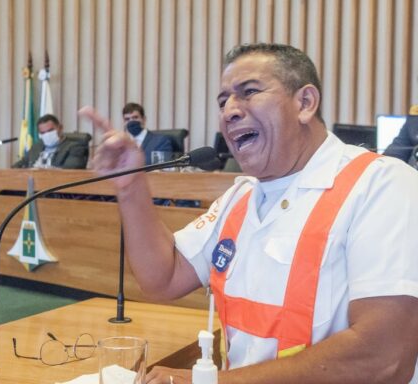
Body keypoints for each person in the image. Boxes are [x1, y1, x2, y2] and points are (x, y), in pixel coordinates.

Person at [79, 42, 418, 384]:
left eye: (249, 92)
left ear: (305, 103)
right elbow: (162, 278)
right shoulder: (240, 197)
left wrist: (208, 383)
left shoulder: (382, 184)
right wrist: (132, 185)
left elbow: (385, 358)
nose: (229, 111)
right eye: (223, 101)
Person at [12, 114, 89, 169]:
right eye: (43, 133)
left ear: (60, 128)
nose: (47, 135)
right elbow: (19, 165)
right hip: (32, 186)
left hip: (56, 188)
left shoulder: (76, 147)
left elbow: (70, 170)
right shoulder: (37, 146)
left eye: (50, 131)